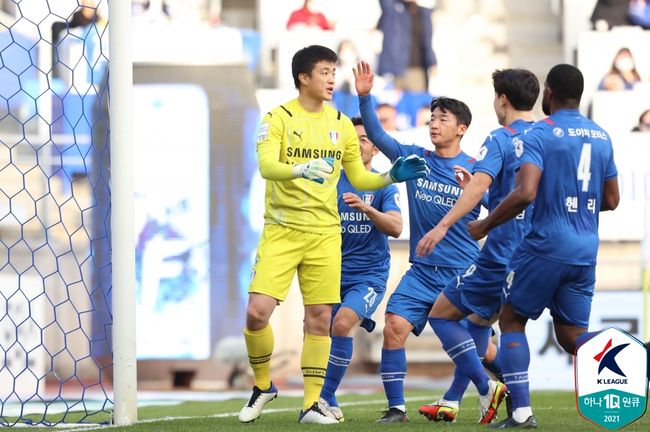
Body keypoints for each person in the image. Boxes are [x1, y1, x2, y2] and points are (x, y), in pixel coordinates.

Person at [237, 45, 427, 425]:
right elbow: (266, 166)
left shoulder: (340, 123)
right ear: (303, 77)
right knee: (257, 313)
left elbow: (361, 178)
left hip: (324, 235)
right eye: (324, 72)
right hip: (282, 230)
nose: (330, 79)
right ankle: (263, 385)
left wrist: (392, 177)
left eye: (332, 71)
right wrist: (300, 170)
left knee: (320, 320)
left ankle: (312, 405)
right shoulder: (276, 118)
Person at [467, 64, 619, 428]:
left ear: (548, 92)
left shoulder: (541, 134)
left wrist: (485, 223)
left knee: (512, 318)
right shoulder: (601, 135)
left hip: (545, 245)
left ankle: (521, 413)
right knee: (570, 335)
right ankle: (633, 354)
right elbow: (612, 199)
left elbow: (526, 192)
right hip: (586, 250)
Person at [354, 60, 499, 423]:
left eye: (443, 118)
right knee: (394, 326)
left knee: (484, 349)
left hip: (463, 271)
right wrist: (365, 98)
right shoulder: (415, 158)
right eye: (432, 117)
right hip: (422, 272)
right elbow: (379, 134)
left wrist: (477, 196)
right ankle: (396, 409)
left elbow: (499, 211)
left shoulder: (477, 169)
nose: (434, 123)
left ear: (462, 128)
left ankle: (500, 387)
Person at [416, 68, 540, 424]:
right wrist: (485, 192)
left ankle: (487, 390)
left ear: (502, 99)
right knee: (497, 324)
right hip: (538, 253)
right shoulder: (548, 137)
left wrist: (442, 226)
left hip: (500, 253)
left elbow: (476, 188)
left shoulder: (500, 138)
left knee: (441, 313)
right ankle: (511, 408)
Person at [318, 117, 403, 422]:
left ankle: (324, 398)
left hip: (368, 275)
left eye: (364, 139)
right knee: (314, 330)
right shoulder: (329, 182)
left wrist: (367, 208)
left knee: (341, 325)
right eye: (351, 139)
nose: (356, 143)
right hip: (329, 272)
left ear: (376, 150)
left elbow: (396, 227)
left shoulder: (382, 184)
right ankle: (327, 401)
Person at [377, 0, 437, 93]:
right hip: (395, 70)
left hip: (417, 70)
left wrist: (432, 62)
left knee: (417, 104)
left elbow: (427, 42)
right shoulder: (393, 9)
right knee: (395, 106)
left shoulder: (424, 14)